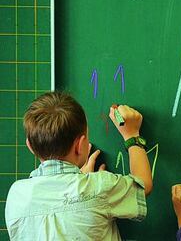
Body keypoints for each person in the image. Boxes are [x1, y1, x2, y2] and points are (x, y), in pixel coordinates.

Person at [5, 92, 153, 240]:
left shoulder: (16, 196)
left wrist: (81, 179)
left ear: (30, 146)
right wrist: (132, 136)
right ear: (80, 145)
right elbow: (143, 184)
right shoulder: (99, 186)